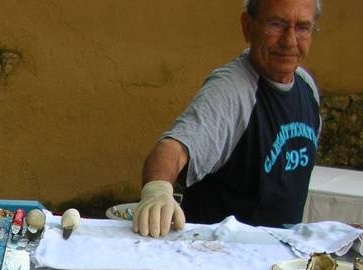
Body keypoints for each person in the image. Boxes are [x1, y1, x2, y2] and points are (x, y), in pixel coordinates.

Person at [133, 0, 322, 237]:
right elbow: (173, 148)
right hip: (219, 255)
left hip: (280, 254)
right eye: (276, 24)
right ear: (247, 26)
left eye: (303, 27)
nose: (290, 41)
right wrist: (157, 190)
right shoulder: (231, 91)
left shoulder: (306, 87)